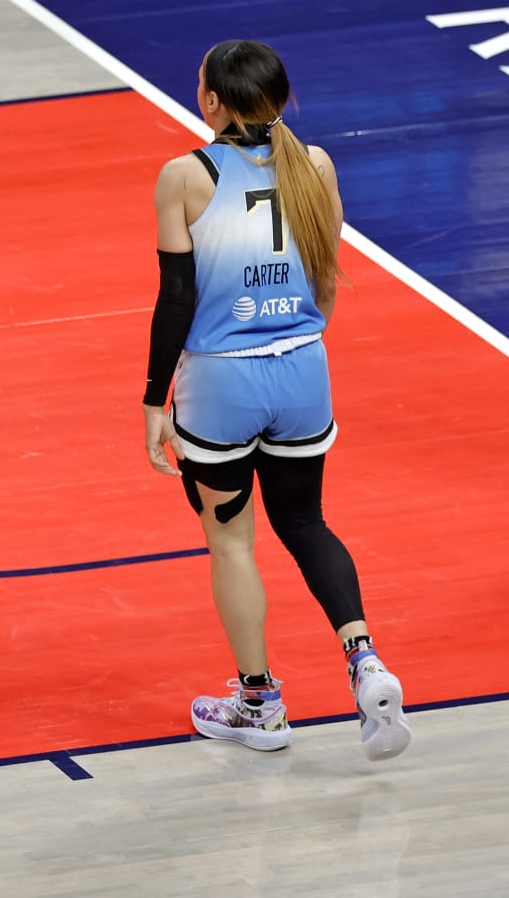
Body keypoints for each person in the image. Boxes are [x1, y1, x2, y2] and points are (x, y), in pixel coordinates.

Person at [142, 40, 411, 761]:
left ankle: (259, 704)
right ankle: (366, 662)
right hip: (303, 371)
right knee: (306, 521)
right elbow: (325, 278)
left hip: (221, 384)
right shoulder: (315, 164)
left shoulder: (185, 177)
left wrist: (151, 398)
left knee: (232, 540)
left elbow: (176, 299)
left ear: (211, 102)